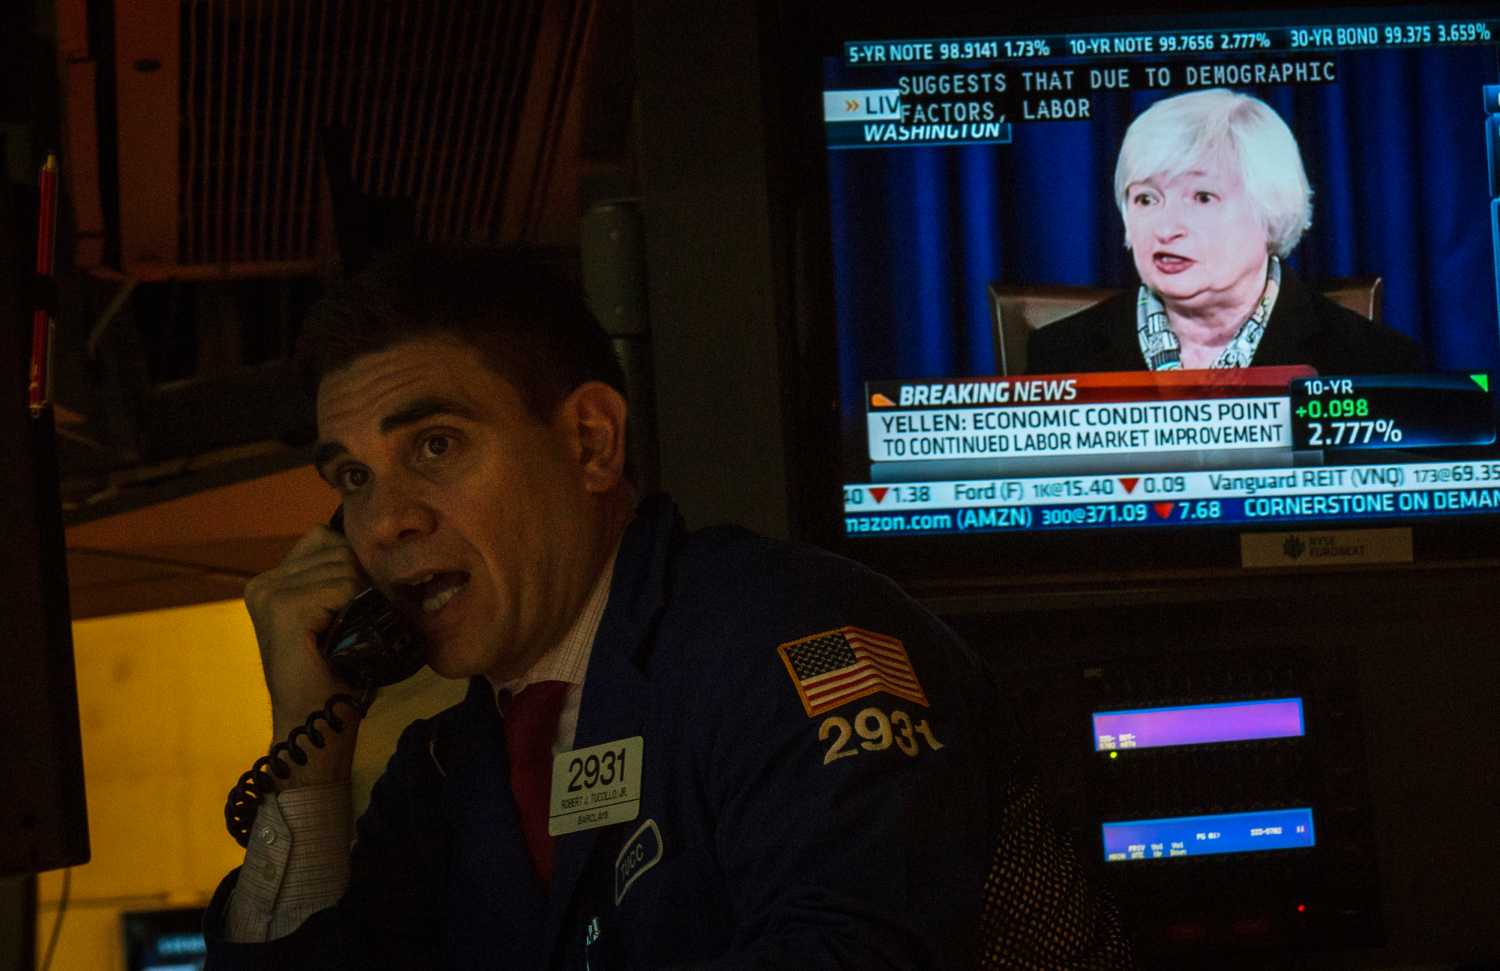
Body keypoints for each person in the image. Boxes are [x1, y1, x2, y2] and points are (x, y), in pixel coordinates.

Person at [202, 245, 1131, 969]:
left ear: (590, 441)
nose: (385, 522)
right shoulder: (448, 771)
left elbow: (850, 951)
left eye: (435, 446)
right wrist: (307, 757)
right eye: (353, 478)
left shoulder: (797, 635)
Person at [1027, 88, 1424, 375]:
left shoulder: (1374, 362)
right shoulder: (1059, 357)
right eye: (1146, 199)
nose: (1166, 228)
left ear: (1271, 210)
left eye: (1203, 197)